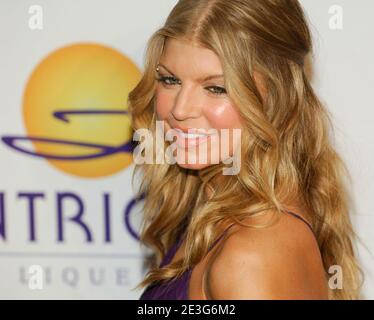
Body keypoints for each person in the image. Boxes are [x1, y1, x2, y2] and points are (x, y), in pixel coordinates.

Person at [128, 0, 362, 299]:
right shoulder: (215, 213)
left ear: (277, 98)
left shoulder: (251, 254)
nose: (179, 109)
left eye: (216, 88)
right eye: (170, 80)